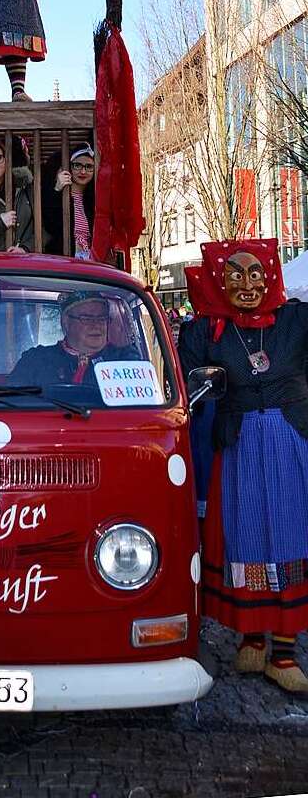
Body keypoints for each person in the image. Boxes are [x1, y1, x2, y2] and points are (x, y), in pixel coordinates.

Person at [178, 240, 308, 693]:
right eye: (235, 276)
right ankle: (252, 639)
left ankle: (285, 650)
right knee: (246, 537)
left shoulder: (296, 320)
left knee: (291, 537)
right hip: (237, 447)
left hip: (291, 442)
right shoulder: (208, 331)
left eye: (255, 275)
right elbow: (188, 379)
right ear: (220, 280)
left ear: (270, 275)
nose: (247, 285)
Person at [9, 294, 138, 389]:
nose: (96, 325)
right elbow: (12, 402)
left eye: (102, 318)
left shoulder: (125, 359)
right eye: (87, 318)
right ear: (66, 322)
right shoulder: (36, 360)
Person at [42, 144, 96, 259]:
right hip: (64, 261)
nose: (83, 171)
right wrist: (57, 190)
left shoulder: (94, 199)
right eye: (77, 165)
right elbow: (50, 226)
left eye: (89, 166)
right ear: (69, 167)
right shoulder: (59, 195)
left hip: (91, 262)